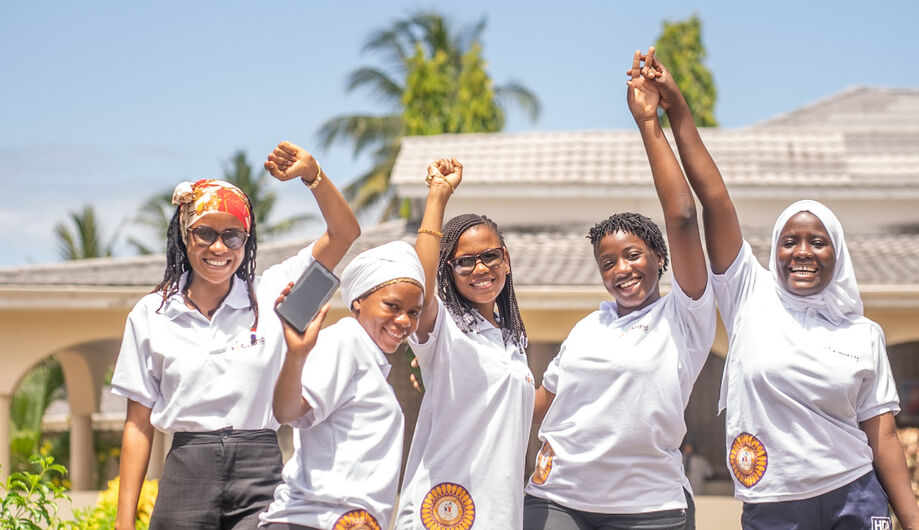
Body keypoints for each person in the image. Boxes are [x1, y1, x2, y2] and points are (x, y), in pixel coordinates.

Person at [637, 47, 919, 529]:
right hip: (775, 504)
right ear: (774, 250)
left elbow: (884, 437)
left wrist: (913, 520)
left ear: (838, 254)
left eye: (817, 242)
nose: (803, 252)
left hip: (855, 495)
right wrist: (673, 110)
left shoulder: (863, 333)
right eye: (790, 241)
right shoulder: (751, 293)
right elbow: (714, 201)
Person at [111, 141, 360, 530]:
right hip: (186, 471)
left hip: (261, 467)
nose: (218, 247)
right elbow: (138, 424)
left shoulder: (273, 292)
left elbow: (344, 234)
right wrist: (124, 522)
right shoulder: (152, 313)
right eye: (205, 232)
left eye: (233, 236)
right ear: (184, 234)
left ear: (247, 241)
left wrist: (313, 175)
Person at [522, 49, 716, 530]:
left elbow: (685, 217)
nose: (621, 269)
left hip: (650, 508)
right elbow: (534, 404)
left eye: (634, 255)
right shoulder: (590, 326)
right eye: (608, 262)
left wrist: (649, 122)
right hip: (558, 499)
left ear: (660, 259)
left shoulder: (684, 315)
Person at [395, 158, 535, 529]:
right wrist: (438, 195)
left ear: (505, 258)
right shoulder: (442, 326)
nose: (480, 269)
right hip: (442, 510)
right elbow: (418, 289)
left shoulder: (513, 339)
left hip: (500, 512)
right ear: (448, 271)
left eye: (490, 256)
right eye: (464, 262)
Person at [259, 240, 425, 530]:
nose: (404, 321)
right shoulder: (346, 340)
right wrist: (296, 355)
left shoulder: (370, 360)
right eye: (393, 306)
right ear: (358, 301)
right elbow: (290, 412)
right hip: (313, 521)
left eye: (414, 312)